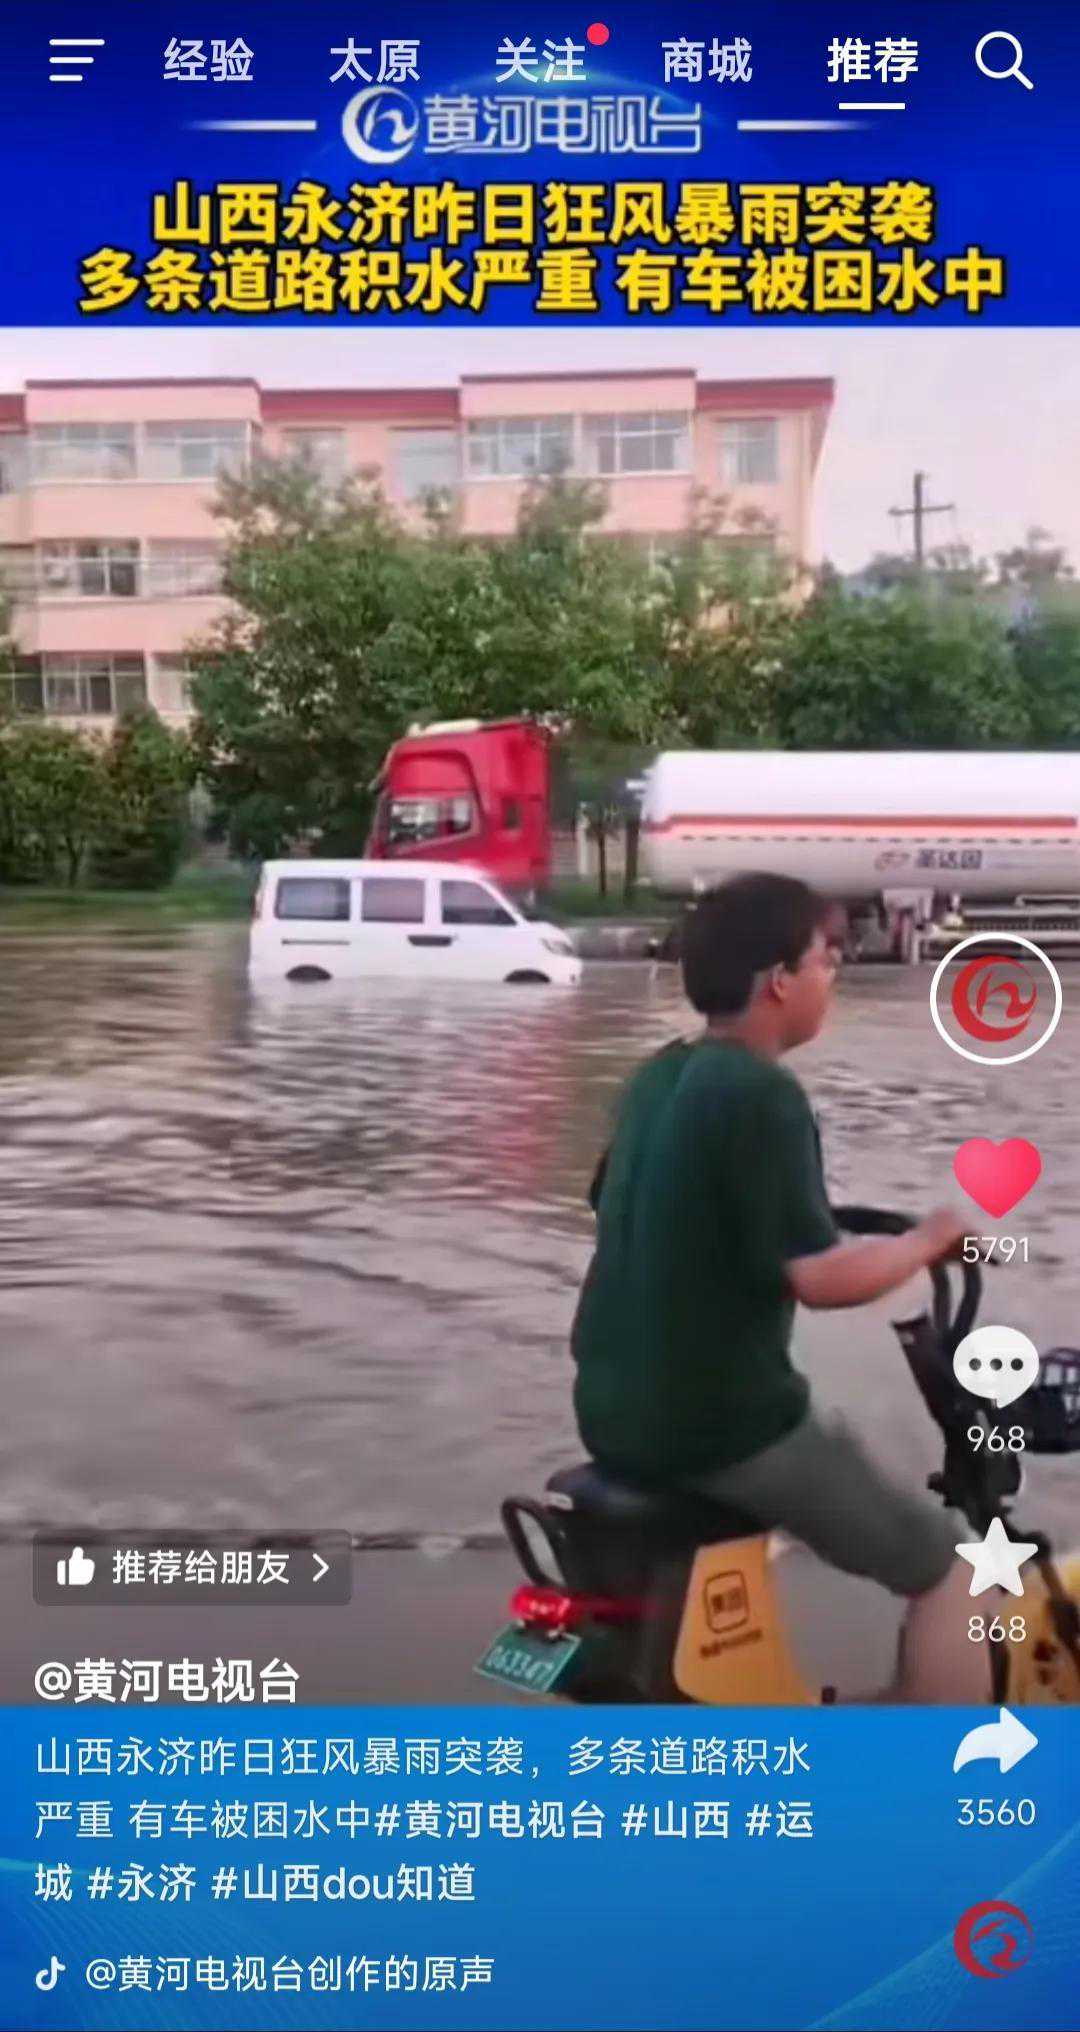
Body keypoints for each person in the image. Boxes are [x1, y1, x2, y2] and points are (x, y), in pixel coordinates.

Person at [570, 871, 991, 1703]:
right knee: (958, 1571)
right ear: (778, 981)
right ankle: (930, 1768)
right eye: (825, 961)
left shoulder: (655, 1079)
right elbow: (822, 1280)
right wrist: (927, 1242)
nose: (832, 979)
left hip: (611, 1411)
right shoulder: (763, 1094)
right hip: (723, 1426)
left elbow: (637, 1203)